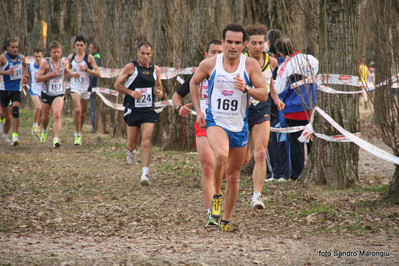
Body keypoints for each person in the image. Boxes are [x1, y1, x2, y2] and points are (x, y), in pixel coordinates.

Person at [190, 24, 268, 231]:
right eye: (229, 42)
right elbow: (193, 82)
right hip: (216, 122)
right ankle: (216, 198)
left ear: (243, 45)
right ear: (222, 43)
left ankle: (225, 220)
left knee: (233, 177)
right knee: (221, 155)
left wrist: (248, 88)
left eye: (237, 43)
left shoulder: (250, 65)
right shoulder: (210, 64)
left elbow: (264, 94)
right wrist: (199, 110)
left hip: (239, 126)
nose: (232, 46)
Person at [172, 40, 223, 226]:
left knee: (231, 166)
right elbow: (176, 96)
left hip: (227, 125)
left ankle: (217, 185)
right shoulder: (199, 74)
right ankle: (212, 211)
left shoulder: (232, 73)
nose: (216, 55)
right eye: (212, 52)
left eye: (220, 52)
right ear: (206, 54)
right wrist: (179, 108)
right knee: (208, 167)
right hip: (204, 123)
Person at [242, 24, 285, 210]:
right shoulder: (240, 61)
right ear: (246, 44)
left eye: (261, 43)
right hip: (241, 112)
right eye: (254, 43)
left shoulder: (272, 62)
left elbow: (270, 84)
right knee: (242, 159)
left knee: (260, 153)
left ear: (266, 44)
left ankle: (257, 196)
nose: (257, 47)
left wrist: (276, 99)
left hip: (263, 110)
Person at [114, 41, 163, 186]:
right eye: (142, 53)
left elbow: (159, 85)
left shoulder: (156, 69)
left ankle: (145, 174)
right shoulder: (131, 67)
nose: (145, 56)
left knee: (146, 142)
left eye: (148, 54)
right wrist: (131, 92)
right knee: (132, 144)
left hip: (148, 110)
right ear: (138, 53)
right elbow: (117, 85)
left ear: (152, 54)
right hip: (133, 109)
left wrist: (160, 91)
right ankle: (130, 151)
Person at [275, 37, 319, 181]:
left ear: (281, 53)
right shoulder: (311, 59)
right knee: (313, 141)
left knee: (296, 144)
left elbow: (279, 89)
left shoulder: (285, 66)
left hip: (294, 109)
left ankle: (297, 175)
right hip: (313, 107)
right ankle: (315, 172)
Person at [36, 41, 81, 148]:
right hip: (47, 93)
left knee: (56, 114)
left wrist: (74, 75)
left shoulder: (63, 63)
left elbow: (66, 72)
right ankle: (45, 130)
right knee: (46, 117)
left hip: (59, 93)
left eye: (58, 52)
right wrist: (51, 74)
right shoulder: (45, 63)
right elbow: (38, 78)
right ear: (50, 52)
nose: (57, 54)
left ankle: (56, 139)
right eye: (54, 52)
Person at [266, 29, 291, 182]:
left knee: (279, 140)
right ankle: (276, 173)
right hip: (276, 105)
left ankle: (281, 172)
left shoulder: (280, 63)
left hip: (279, 106)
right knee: (274, 140)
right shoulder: (279, 62)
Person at [67, 36, 101, 145]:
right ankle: (77, 135)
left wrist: (86, 69)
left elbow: (98, 73)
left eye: (81, 45)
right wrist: (73, 74)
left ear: (85, 46)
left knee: (82, 113)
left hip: (86, 88)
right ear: (74, 46)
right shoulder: (71, 58)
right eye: (77, 45)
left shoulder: (89, 58)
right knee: (77, 110)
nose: (79, 47)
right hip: (75, 87)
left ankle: (79, 133)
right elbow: (66, 73)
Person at [0, 39, 29, 146]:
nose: (15, 49)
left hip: (16, 88)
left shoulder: (21, 58)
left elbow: (25, 65)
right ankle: (0, 119)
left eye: (16, 47)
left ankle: (15, 136)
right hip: (5, 89)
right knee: (5, 114)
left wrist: (25, 76)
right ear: (8, 48)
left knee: (15, 110)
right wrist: (6, 72)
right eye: (12, 47)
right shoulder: (3, 58)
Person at [28, 48, 44, 138]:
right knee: (38, 107)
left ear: (42, 57)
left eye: (39, 57)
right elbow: (26, 74)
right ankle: (34, 125)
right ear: (34, 57)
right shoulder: (31, 66)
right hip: (34, 89)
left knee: (41, 111)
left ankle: (38, 128)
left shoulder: (45, 66)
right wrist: (25, 78)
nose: (38, 58)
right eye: (36, 56)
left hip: (43, 90)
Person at [88, 42, 101, 132]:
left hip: (95, 87)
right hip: (95, 87)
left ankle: (94, 126)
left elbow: (95, 75)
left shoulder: (95, 59)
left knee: (93, 108)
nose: (89, 49)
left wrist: (91, 88)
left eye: (91, 47)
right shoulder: (97, 57)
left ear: (95, 49)